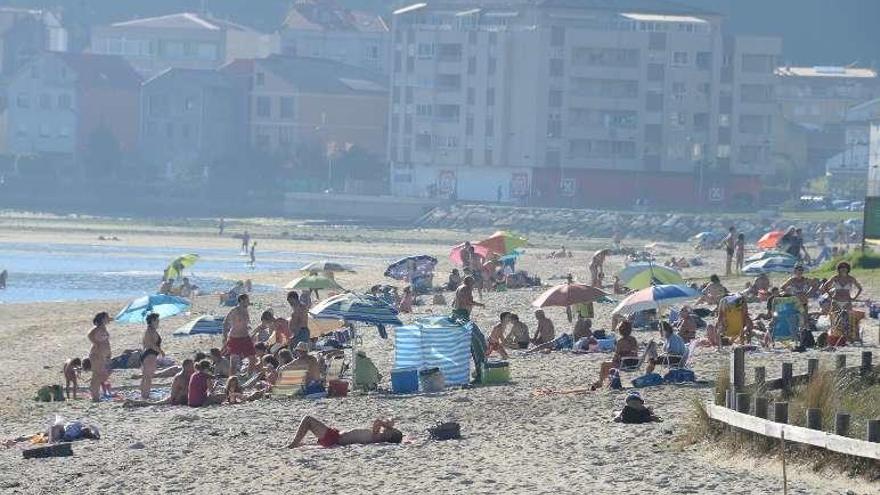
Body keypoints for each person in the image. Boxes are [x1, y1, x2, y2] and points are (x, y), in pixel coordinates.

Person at [286, 416, 402, 448]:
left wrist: (387, 424)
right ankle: (297, 442)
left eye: (391, 430)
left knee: (308, 420)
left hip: (333, 438)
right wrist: (391, 422)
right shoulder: (378, 437)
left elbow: (377, 421)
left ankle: (294, 443)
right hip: (334, 437)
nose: (389, 429)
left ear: (390, 435)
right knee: (310, 423)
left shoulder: (377, 437)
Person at [124, 359, 195, 408]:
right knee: (153, 404)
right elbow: (174, 393)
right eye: (191, 366)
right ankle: (133, 402)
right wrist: (174, 401)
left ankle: (133, 402)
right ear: (186, 366)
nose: (193, 368)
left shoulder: (189, 375)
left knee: (155, 403)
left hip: (181, 399)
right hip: (175, 399)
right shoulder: (179, 377)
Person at [591, 321, 638, 390]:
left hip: (624, 364)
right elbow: (634, 351)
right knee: (608, 365)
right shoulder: (633, 339)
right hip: (634, 362)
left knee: (604, 364)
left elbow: (616, 355)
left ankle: (600, 382)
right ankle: (604, 381)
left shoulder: (620, 342)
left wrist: (615, 360)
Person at [222, 294, 255, 374]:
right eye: (247, 300)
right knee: (233, 362)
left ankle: (248, 376)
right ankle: (231, 379)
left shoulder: (246, 310)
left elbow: (244, 323)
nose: (248, 302)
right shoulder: (234, 310)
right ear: (241, 301)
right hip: (235, 338)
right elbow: (225, 323)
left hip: (245, 337)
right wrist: (225, 337)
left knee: (252, 358)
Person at [87, 312, 112, 402]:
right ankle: (95, 396)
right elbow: (89, 335)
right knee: (97, 375)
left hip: (102, 355)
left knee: (101, 375)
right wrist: (96, 343)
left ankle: (95, 393)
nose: (108, 319)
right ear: (102, 319)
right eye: (106, 318)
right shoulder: (97, 328)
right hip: (96, 354)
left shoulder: (103, 328)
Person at [139, 313, 165, 400]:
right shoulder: (150, 331)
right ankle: (146, 395)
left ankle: (143, 394)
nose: (158, 322)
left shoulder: (149, 330)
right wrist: (161, 351)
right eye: (157, 320)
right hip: (150, 354)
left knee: (145, 376)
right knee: (148, 377)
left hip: (147, 354)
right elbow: (151, 344)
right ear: (152, 321)